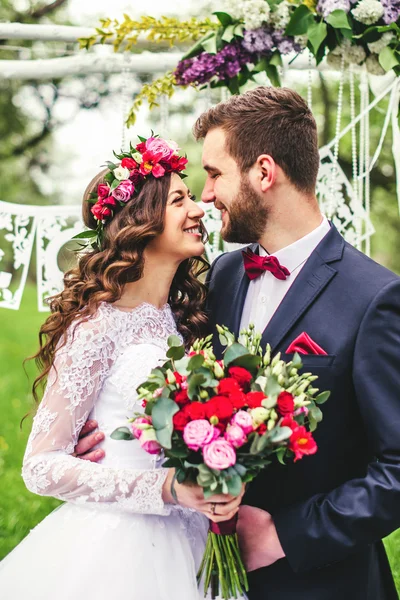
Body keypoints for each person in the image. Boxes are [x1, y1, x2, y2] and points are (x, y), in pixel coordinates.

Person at [78, 87, 400, 600]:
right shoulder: (223, 274)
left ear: (264, 172)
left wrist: (286, 536)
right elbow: (176, 390)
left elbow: (397, 470)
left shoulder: (376, 297)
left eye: (214, 174)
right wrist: (109, 433)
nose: (206, 195)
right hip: (197, 568)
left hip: (320, 582)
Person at [0, 135, 244, 600]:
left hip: (194, 537)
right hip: (122, 549)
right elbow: (40, 467)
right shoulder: (96, 327)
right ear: (141, 223)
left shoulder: (184, 321)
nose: (198, 209)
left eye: (192, 195)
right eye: (180, 199)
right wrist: (166, 488)